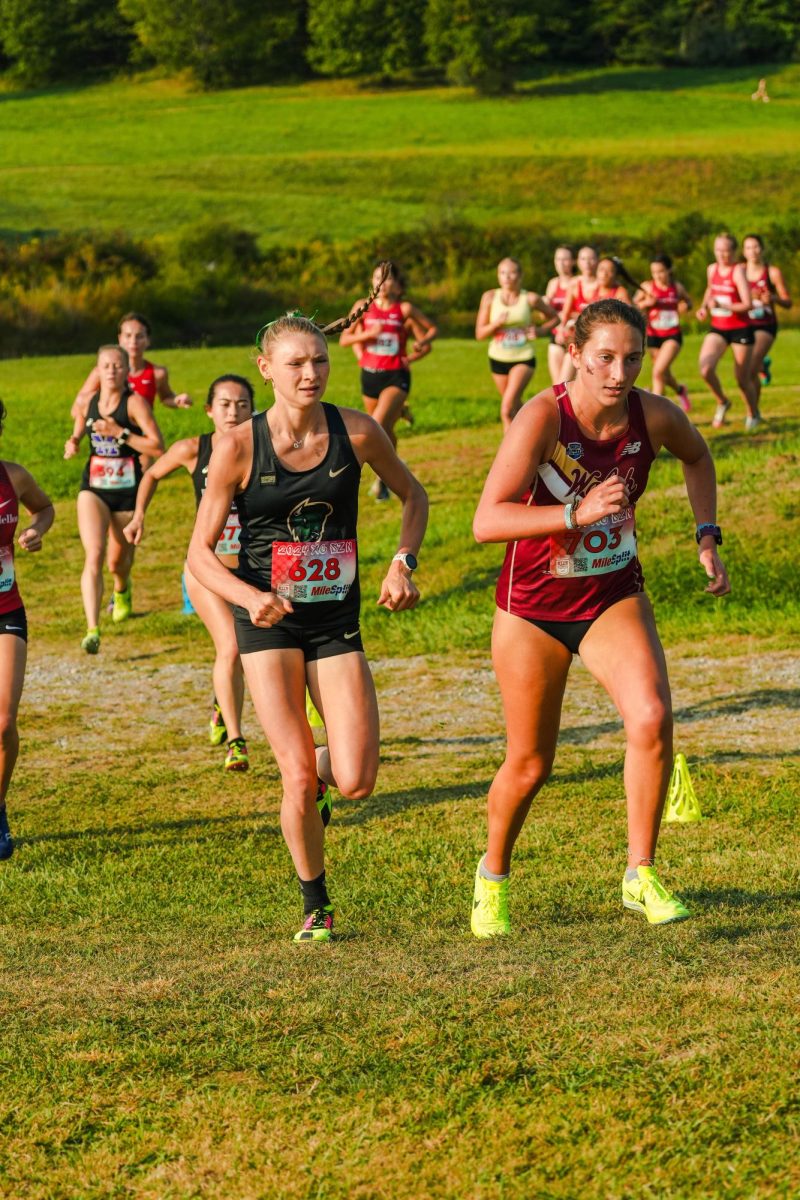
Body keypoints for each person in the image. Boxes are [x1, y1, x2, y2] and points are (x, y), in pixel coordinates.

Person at [470, 298, 730, 937]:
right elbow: (486, 521)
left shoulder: (655, 415)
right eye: (606, 357)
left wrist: (706, 536)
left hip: (611, 594)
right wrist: (573, 516)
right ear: (576, 352)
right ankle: (493, 876)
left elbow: (698, 457)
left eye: (633, 358)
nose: (620, 372)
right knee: (531, 762)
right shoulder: (542, 419)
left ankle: (639, 872)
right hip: (533, 607)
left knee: (651, 715)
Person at [187, 308, 428, 943]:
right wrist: (249, 597)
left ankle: (319, 778)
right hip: (267, 624)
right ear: (267, 369)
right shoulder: (237, 447)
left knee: (355, 779)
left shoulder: (360, 432)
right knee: (293, 772)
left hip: (334, 621)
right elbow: (198, 556)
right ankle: (315, 904)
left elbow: (414, 497)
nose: (310, 373)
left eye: (319, 360)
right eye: (295, 363)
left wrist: (403, 562)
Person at [123, 375, 255, 771]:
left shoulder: (263, 446)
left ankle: (221, 701)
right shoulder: (192, 449)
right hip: (207, 571)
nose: (234, 412)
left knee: (251, 653)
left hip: (254, 570)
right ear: (209, 410)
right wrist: (139, 515)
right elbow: (150, 474)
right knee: (231, 647)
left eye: (243, 405)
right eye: (226, 404)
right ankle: (236, 740)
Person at [64, 345, 164, 651]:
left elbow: (157, 448)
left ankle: (122, 589)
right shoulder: (88, 399)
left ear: (125, 370)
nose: (111, 371)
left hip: (126, 490)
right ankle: (92, 628)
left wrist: (119, 433)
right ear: (97, 368)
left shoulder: (134, 404)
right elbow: (80, 422)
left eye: (117, 366)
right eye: (106, 365)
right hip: (93, 487)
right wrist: (74, 440)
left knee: (117, 562)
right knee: (93, 553)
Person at [0, 398, 55, 860]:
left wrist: (36, 530)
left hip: (6, 611)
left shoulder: (12, 477)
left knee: (2, 722)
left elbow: (44, 508)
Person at [339, 262, 437, 499]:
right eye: (376, 278)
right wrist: (367, 337)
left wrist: (417, 349)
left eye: (387, 279)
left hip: (396, 375)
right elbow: (344, 339)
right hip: (370, 376)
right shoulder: (363, 306)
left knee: (377, 425)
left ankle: (375, 478)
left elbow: (431, 329)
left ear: (396, 285)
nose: (381, 283)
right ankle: (390, 469)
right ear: (372, 283)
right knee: (387, 430)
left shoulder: (404, 309)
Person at [474, 257, 557, 431]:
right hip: (497, 358)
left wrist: (540, 331)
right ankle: (540, 430)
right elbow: (480, 334)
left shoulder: (530, 298)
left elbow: (555, 318)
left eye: (512, 273)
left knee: (506, 410)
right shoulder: (489, 297)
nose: (507, 277)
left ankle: (509, 454)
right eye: (502, 273)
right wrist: (495, 324)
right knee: (516, 407)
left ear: (520, 275)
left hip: (523, 357)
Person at [72, 312, 192, 417]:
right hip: (109, 438)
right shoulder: (102, 372)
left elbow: (166, 398)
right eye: (128, 336)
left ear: (148, 340)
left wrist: (177, 400)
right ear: (120, 338)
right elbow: (78, 406)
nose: (133, 342)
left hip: (141, 436)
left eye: (139, 336)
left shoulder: (157, 373)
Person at [696, 234, 758, 430]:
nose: (722, 254)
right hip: (718, 328)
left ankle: (753, 413)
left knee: (742, 379)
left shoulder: (738, 271)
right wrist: (704, 307)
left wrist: (723, 304)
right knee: (705, 369)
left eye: (726, 250)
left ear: (733, 251)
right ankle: (723, 401)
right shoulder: (711, 269)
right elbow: (710, 290)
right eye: (718, 250)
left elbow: (748, 304)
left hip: (740, 328)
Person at [634, 254, 693, 410]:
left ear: (669, 270)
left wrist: (686, 306)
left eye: (661, 271)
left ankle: (655, 411)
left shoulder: (677, 287)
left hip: (672, 335)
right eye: (654, 272)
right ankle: (680, 389)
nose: (658, 275)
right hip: (653, 336)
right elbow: (631, 306)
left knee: (658, 372)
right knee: (663, 372)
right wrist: (646, 303)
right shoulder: (647, 287)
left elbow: (688, 301)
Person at [742, 233, 792, 407]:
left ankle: (753, 413)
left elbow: (788, 302)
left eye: (756, 247)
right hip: (743, 325)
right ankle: (763, 366)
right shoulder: (739, 272)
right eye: (748, 247)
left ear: (762, 249)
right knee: (746, 371)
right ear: (743, 251)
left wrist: (773, 298)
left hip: (765, 325)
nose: (753, 251)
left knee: (750, 370)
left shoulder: (772, 272)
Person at [556, 245, 599, 382]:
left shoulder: (604, 284)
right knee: (562, 382)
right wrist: (561, 329)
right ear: (578, 262)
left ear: (597, 260)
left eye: (591, 258)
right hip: (575, 337)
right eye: (583, 258)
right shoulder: (574, 284)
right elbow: (566, 313)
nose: (587, 263)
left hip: (597, 339)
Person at [543, 246, 576, 385]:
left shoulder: (578, 282)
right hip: (556, 335)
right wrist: (543, 305)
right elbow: (546, 316)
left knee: (567, 383)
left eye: (565, 259)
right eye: (558, 259)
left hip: (573, 335)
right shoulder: (553, 283)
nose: (561, 263)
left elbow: (582, 311)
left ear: (573, 262)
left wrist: (565, 316)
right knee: (557, 386)